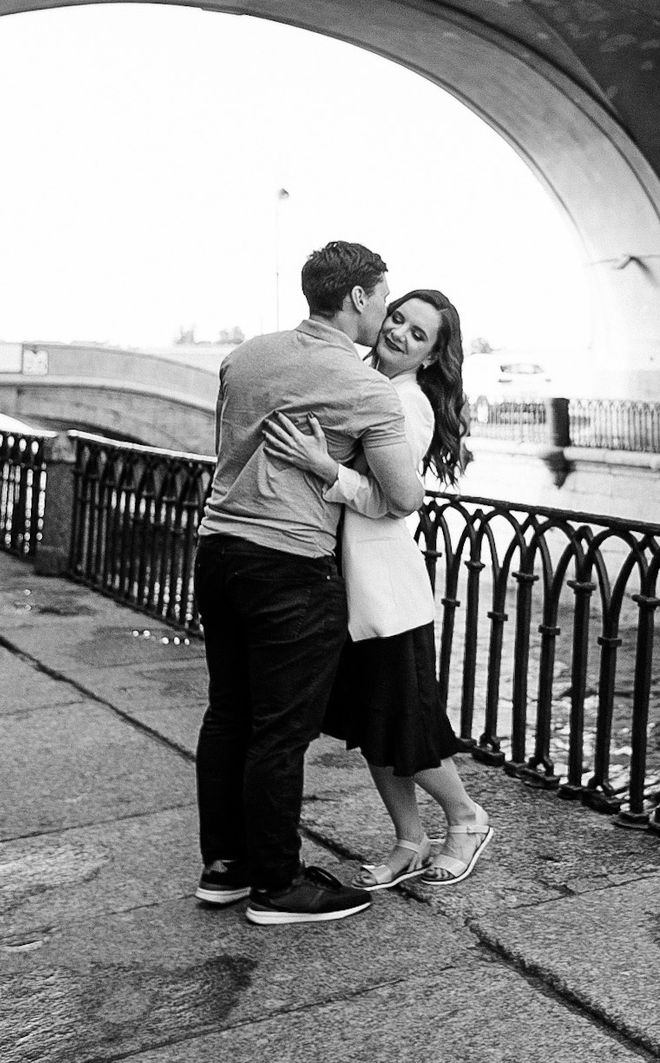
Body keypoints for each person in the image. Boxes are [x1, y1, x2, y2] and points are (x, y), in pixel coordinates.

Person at [192, 242, 425, 926]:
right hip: (291, 567)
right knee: (280, 731)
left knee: (227, 715)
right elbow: (404, 496)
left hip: (219, 550)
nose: (385, 312)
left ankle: (226, 868)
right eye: (383, 299)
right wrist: (331, 467)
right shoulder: (365, 388)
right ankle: (278, 885)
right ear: (358, 297)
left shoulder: (246, 356)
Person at [260, 288, 493, 891]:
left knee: (404, 724)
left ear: (431, 357)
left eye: (419, 334)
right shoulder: (363, 380)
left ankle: (466, 818)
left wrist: (324, 468)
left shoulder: (407, 402)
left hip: (386, 595)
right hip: (349, 589)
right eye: (398, 318)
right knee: (372, 725)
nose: (399, 333)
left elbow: (394, 501)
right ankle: (409, 840)